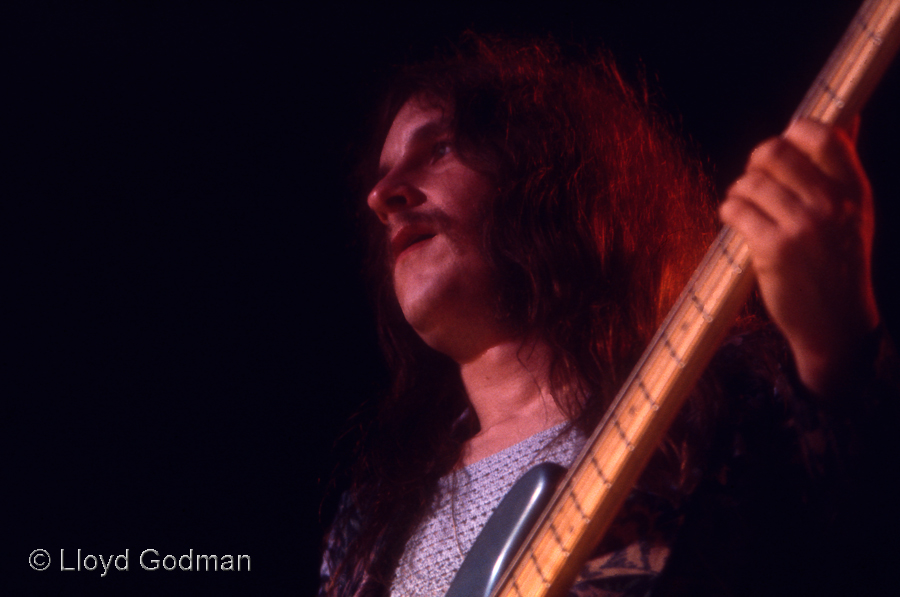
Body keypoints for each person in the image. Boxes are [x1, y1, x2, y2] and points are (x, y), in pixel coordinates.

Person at [318, 34, 896, 597]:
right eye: (383, 171)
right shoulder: (372, 514)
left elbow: (865, 542)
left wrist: (836, 347)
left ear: (547, 177)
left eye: (439, 149)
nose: (383, 195)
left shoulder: (727, 400)